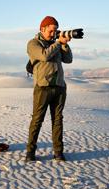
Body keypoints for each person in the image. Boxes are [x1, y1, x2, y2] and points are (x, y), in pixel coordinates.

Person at [26, 16, 73, 162]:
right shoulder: (33, 43)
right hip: (43, 88)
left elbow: (68, 59)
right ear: (42, 29)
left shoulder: (56, 43)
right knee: (37, 120)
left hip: (59, 87)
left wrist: (64, 44)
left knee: (58, 120)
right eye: (51, 31)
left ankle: (58, 152)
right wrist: (58, 42)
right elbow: (44, 56)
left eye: (55, 31)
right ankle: (30, 153)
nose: (53, 34)